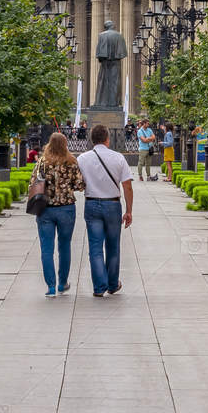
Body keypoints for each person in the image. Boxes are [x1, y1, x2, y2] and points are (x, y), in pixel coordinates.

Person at [78, 123, 133, 297]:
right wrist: (129, 210)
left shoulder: (82, 158)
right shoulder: (118, 158)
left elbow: (77, 183)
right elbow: (127, 186)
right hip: (112, 204)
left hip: (92, 203)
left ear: (92, 139)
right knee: (113, 246)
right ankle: (112, 284)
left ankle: (99, 287)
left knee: (95, 247)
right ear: (108, 139)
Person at [31, 131, 85, 297]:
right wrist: (66, 187)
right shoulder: (71, 162)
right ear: (65, 144)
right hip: (66, 208)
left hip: (45, 208)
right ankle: (63, 283)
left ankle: (51, 286)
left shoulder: (42, 162)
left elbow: (33, 182)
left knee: (46, 249)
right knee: (64, 246)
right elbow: (80, 184)